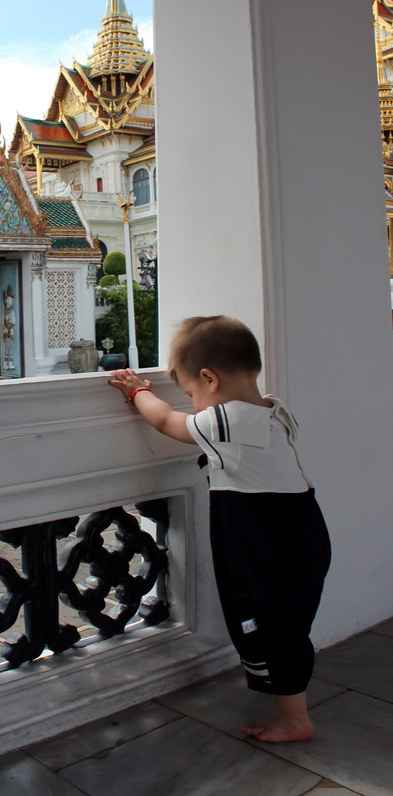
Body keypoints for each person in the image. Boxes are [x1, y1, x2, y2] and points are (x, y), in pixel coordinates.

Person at [108, 315, 331, 743]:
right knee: (288, 623)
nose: (192, 403)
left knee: (270, 626)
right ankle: (292, 709)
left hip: (266, 537)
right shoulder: (272, 408)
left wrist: (137, 391)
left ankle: (294, 719)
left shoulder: (228, 421)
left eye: (192, 392)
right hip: (303, 527)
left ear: (209, 379)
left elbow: (167, 423)